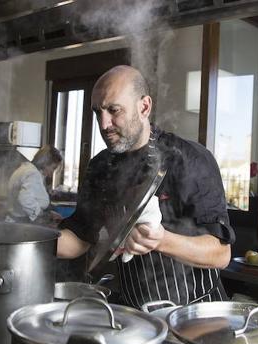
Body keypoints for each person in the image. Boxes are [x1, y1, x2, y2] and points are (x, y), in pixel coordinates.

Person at [56, 65, 235, 308]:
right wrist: (25, 241)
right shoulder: (100, 166)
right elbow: (80, 238)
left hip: (197, 314)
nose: (103, 123)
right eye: (98, 112)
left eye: (113, 110)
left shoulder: (190, 159)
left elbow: (221, 254)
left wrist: (160, 240)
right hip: (135, 312)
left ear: (144, 107)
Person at [6, 145, 63, 223]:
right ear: (46, 163)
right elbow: (25, 199)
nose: (52, 173)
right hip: (20, 225)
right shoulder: (33, 173)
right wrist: (42, 215)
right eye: (53, 168)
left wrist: (49, 213)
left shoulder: (26, 169)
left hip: (15, 222)